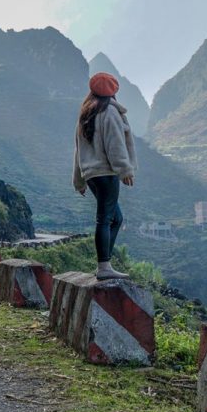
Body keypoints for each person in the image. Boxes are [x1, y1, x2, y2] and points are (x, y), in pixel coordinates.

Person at [73, 72, 137, 279]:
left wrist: (79, 180)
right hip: (107, 173)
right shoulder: (109, 112)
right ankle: (104, 267)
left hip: (92, 175)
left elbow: (78, 150)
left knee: (115, 218)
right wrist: (124, 170)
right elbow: (115, 144)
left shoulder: (86, 114)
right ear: (113, 92)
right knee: (105, 218)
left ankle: (105, 263)